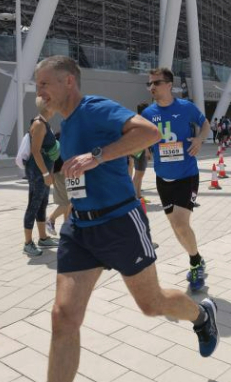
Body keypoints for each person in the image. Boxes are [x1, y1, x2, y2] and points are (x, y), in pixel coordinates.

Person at [35, 56, 219, 382]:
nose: (39, 92)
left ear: (68, 82)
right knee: (63, 317)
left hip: (119, 221)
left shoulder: (94, 108)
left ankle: (202, 316)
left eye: (44, 84)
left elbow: (148, 133)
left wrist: (98, 156)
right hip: (79, 228)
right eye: (37, 86)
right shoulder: (66, 122)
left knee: (151, 304)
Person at [141, 68, 211, 291]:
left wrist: (200, 139)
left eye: (156, 83)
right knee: (177, 228)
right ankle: (197, 257)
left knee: (181, 224)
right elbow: (142, 136)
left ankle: (195, 264)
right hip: (163, 178)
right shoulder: (148, 114)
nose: (152, 87)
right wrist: (145, 148)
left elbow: (205, 124)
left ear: (169, 85)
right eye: (149, 84)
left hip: (186, 175)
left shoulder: (186, 107)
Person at [23, 98, 61, 256]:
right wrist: (45, 173)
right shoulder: (39, 124)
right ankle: (28, 243)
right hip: (37, 171)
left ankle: (43, 238)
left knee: (42, 203)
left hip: (44, 170)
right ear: (48, 107)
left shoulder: (45, 123)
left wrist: (50, 172)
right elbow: (36, 151)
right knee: (33, 204)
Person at [46, 132, 70, 237]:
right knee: (67, 203)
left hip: (63, 172)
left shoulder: (59, 134)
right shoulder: (65, 135)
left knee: (68, 203)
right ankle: (50, 219)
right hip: (61, 172)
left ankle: (67, 230)